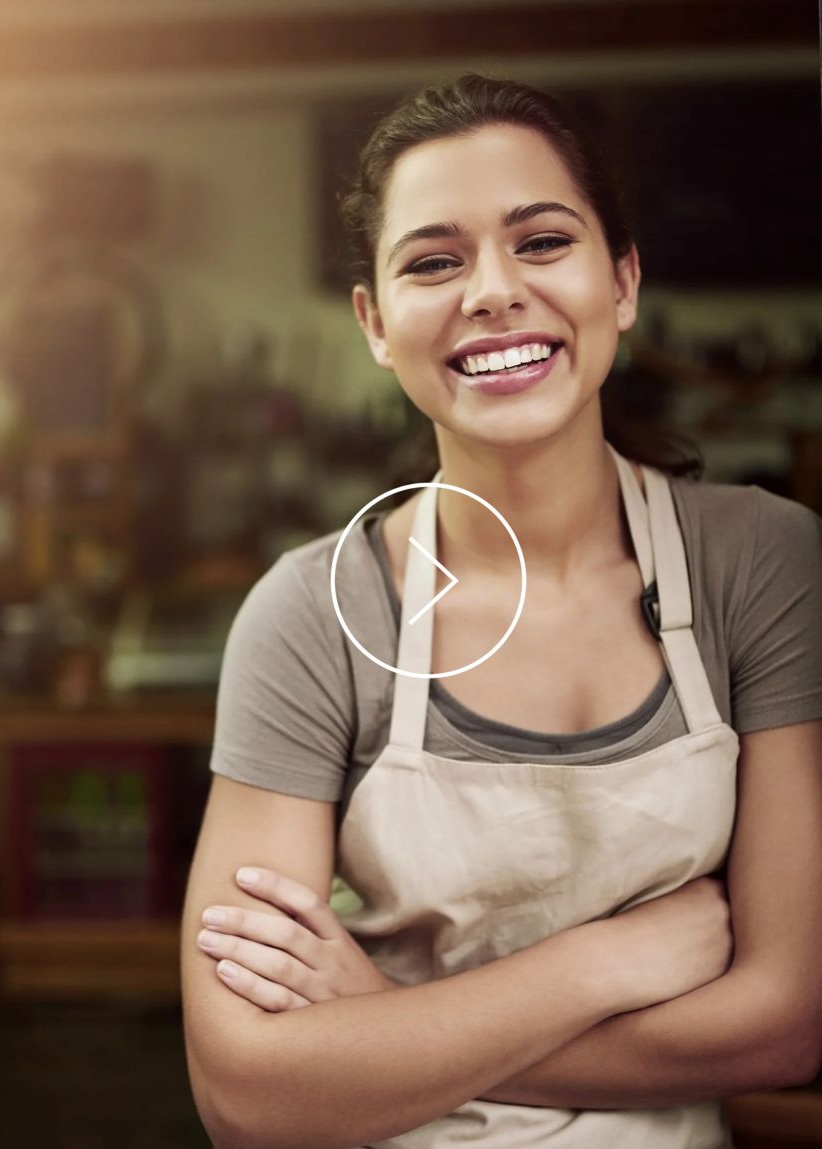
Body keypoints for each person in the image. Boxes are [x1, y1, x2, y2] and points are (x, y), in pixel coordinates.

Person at [181, 75, 822, 1149]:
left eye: (540, 241)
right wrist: (604, 963)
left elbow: (786, 1018)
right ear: (376, 325)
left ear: (621, 281)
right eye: (433, 262)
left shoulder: (760, 566)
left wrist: (381, 1034)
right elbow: (249, 1096)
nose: (490, 291)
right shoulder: (313, 613)